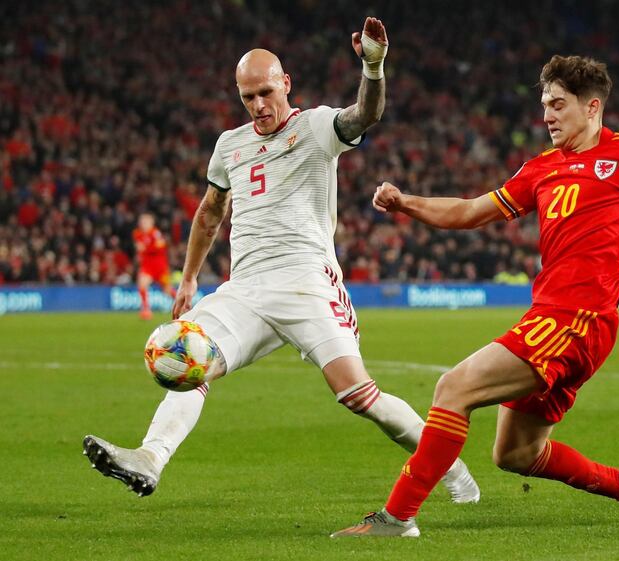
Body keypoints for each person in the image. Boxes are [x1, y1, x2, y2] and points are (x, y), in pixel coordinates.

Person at [82, 17, 479, 505]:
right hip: (245, 288)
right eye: (247, 97)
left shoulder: (315, 127)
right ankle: (150, 457)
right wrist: (187, 279)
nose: (258, 105)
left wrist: (373, 66)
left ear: (286, 83)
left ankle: (449, 466)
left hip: (306, 282)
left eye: (266, 92)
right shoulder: (230, 145)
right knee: (187, 358)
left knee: (358, 396)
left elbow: (365, 115)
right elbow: (211, 212)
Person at [332, 54, 619, 538]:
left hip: (577, 319)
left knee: (453, 388)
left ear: (592, 107)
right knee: (515, 454)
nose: (547, 116)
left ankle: (396, 517)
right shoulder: (541, 169)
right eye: (544, 105)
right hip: (556, 319)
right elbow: (472, 212)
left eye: (558, 105)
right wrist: (406, 202)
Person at [133, 212, 176, 320]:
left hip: (160, 267)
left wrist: (146, 248)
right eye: (142, 221)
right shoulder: (137, 234)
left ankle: (183, 305)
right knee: (142, 284)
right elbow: (139, 248)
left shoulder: (155, 233)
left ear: (151, 222)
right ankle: (146, 309)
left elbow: (161, 247)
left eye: (146, 221)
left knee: (167, 290)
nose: (143, 224)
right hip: (147, 266)